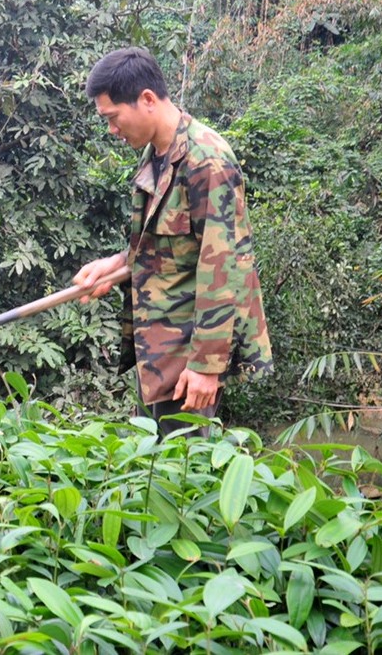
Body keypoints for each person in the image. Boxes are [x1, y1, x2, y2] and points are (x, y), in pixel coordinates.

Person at [72, 47, 273, 436]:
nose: (112, 130)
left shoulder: (206, 161)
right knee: (153, 471)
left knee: (186, 479)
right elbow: (163, 248)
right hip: (158, 349)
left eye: (113, 118)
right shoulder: (156, 154)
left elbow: (223, 269)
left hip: (189, 356)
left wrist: (206, 367)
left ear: (147, 99)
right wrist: (114, 267)